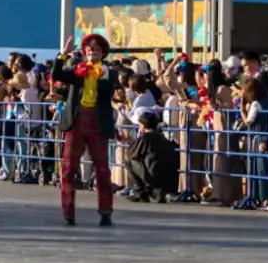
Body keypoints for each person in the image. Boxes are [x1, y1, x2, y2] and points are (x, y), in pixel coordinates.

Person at [52, 33, 118, 226]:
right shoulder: (75, 70)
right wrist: (62, 55)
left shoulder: (109, 72)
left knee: (103, 170)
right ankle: (68, 212)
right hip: (76, 122)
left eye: (96, 47)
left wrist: (101, 74)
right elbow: (56, 75)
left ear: (102, 52)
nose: (92, 49)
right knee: (67, 170)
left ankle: (106, 211)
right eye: (89, 46)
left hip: (98, 124)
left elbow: (109, 93)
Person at [125, 111, 179, 203]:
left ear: (143, 125)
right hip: (170, 178)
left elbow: (132, 154)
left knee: (129, 161)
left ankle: (139, 192)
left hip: (154, 175)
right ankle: (154, 191)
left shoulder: (146, 137)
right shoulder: (163, 138)